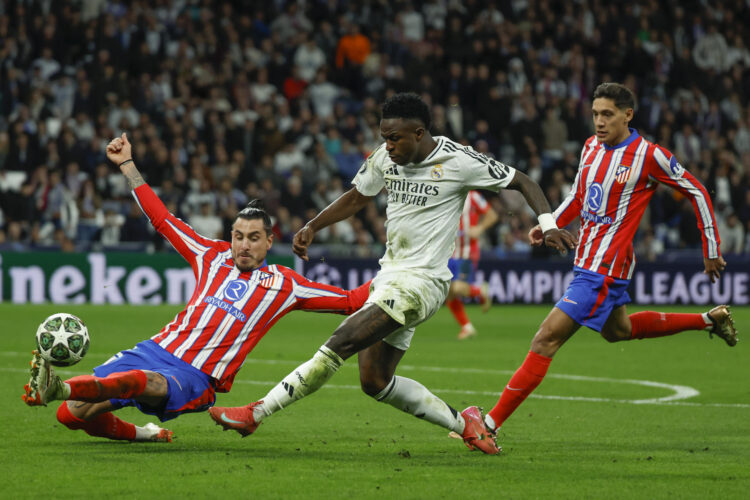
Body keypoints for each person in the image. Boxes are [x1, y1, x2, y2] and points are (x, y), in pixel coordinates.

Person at [208, 92, 575, 455]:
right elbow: (356, 196)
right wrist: (313, 226)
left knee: (342, 341)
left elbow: (524, 181)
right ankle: (467, 424)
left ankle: (257, 412)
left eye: (395, 138)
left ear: (419, 133)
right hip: (390, 277)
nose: (388, 146)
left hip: (422, 283)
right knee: (375, 380)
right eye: (384, 137)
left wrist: (549, 224)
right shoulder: (386, 156)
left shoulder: (458, 160)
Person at [22, 133, 371, 443]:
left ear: (269, 242)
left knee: (143, 382)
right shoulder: (211, 254)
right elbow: (162, 219)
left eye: (253, 239)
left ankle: (59, 387)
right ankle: (142, 434)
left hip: (195, 376)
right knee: (69, 415)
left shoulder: (284, 283)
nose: (244, 246)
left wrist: (407, 269)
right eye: (238, 237)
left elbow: (352, 301)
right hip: (156, 349)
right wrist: (127, 163)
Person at [478, 83, 738, 446]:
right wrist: (549, 224)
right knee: (619, 330)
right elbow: (581, 196)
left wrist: (710, 246)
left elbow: (697, 190)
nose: (599, 122)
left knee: (545, 339)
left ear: (627, 115)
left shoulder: (649, 155)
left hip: (605, 267)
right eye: (596, 114)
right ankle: (709, 319)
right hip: (589, 259)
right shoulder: (589, 147)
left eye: (607, 115)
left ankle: (488, 426)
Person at [445, 190, 498, 340]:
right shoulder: (446, 192)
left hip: (468, 252)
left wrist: (479, 228)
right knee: (448, 293)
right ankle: (467, 327)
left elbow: (492, 215)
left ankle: (480, 291)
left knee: (457, 287)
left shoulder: (473, 196)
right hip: (449, 253)